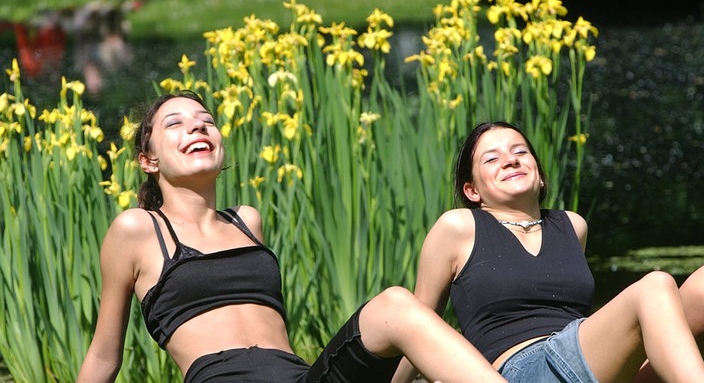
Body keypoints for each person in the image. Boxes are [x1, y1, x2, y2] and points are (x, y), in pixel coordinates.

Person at [77, 91, 506, 383]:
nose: (198, 127)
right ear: (148, 160)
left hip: (300, 376)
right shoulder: (136, 229)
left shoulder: (247, 221)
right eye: (176, 123)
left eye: (206, 121)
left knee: (394, 304)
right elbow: (103, 355)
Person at [392, 121, 704, 382]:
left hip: (580, 359)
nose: (510, 160)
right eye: (491, 158)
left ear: (539, 174)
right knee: (655, 285)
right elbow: (420, 327)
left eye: (520, 152)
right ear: (472, 190)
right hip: (522, 369)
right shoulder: (459, 226)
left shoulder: (572, 225)